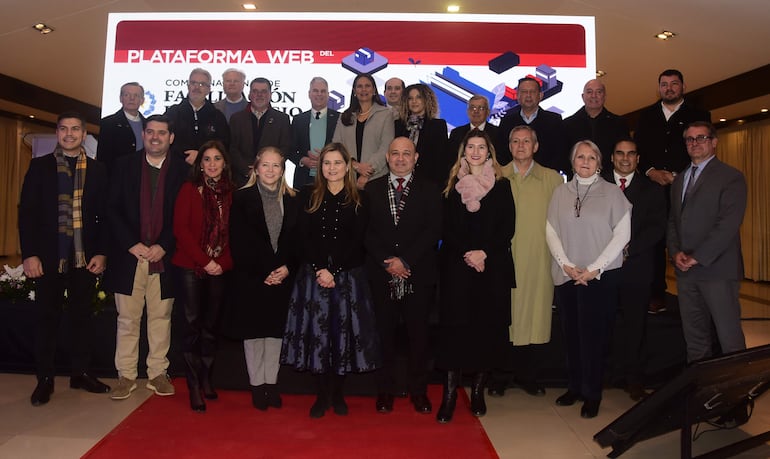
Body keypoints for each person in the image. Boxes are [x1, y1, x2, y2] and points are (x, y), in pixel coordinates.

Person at [281, 143, 381, 418]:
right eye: (327, 163)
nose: (332, 168)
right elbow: (302, 237)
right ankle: (321, 395)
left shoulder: (361, 198)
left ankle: (338, 393)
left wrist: (333, 270)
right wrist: (319, 269)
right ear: (320, 167)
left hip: (347, 278)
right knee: (317, 337)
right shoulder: (306, 196)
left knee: (342, 337)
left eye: (337, 163)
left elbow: (358, 240)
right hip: (313, 278)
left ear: (347, 165)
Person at [19, 112, 111, 406]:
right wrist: (30, 254)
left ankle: (80, 373)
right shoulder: (39, 167)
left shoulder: (98, 170)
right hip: (48, 257)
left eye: (75, 129)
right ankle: (44, 379)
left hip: (84, 257)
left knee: (82, 318)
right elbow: (27, 214)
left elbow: (105, 216)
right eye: (63, 129)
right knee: (47, 318)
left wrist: (102, 251)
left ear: (84, 135)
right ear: (57, 133)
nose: (69, 134)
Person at [667, 121, 749, 428]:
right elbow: (673, 222)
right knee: (696, 340)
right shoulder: (680, 180)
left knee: (729, 340)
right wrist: (675, 252)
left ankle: (737, 402)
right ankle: (704, 399)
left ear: (714, 142)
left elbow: (728, 224)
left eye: (701, 138)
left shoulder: (731, 177)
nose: (695, 143)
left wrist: (698, 256)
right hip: (686, 272)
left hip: (717, 270)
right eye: (689, 139)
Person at [104, 114, 188, 400]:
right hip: (130, 257)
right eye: (150, 132)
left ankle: (157, 374)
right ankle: (125, 375)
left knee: (161, 317)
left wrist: (163, 245)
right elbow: (111, 208)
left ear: (171, 138)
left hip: (164, 257)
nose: (155, 137)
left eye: (161, 133)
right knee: (127, 319)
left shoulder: (183, 170)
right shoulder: (124, 165)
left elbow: (183, 215)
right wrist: (131, 244)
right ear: (143, 135)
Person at [435, 129, 515, 423]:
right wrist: (468, 253)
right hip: (457, 267)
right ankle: (450, 395)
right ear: (463, 151)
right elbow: (446, 228)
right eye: (471, 147)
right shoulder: (451, 186)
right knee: (454, 334)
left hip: (491, 269)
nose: (476, 151)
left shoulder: (503, 186)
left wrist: (485, 253)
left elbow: (507, 228)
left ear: (490, 153)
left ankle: (478, 392)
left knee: (486, 331)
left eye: (482, 147)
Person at [546, 140, 631, 419]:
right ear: (572, 162)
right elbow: (551, 232)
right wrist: (567, 265)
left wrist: (594, 268)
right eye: (579, 156)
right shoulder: (560, 193)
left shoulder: (612, 193)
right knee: (571, 336)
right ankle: (574, 387)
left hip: (599, 277)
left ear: (600, 162)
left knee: (595, 337)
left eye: (591, 157)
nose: (585, 161)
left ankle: (592, 393)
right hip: (568, 275)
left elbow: (622, 235)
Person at [365, 137, 442, 415]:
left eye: (406, 154)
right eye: (395, 153)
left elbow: (434, 230)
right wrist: (389, 263)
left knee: (418, 337)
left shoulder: (431, 190)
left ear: (416, 157)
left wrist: (405, 260)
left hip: (417, 274)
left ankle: (418, 392)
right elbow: (367, 232)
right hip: (381, 273)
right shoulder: (371, 190)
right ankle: (385, 390)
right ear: (387, 157)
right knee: (383, 335)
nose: (400, 159)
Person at [224, 146, 299, 411]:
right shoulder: (241, 198)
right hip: (252, 278)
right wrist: (264, 272)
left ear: (283, 170)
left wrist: (287, 268)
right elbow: (239, 242)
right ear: (256, 168)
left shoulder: (293, 198)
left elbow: (297, 241)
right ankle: (257, 386)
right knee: (254, 335)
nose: (270, 170)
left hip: (283, 277)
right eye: (265, 165)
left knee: (275, 334)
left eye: (276, 165)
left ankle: (271, 384)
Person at [491, 126, 563, 398]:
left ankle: (528, 376)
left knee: (534, 317)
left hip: (538, 260)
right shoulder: (497, 175)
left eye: (526, 141)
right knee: (502, 318)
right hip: (503, 260)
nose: (521, 146)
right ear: (508, 147)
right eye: (515, 141)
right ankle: (500, 375)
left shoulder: (552, 179)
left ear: (536, 146)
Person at [634, 69, 711, 314]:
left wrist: (678, 175)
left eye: (673, 84)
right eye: (664, 84)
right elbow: (640, 152)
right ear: (659, 88)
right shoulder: (646, 116)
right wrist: (650, 172)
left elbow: (702, 150)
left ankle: (696, 294)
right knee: (655, 243)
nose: (669, 88)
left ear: (683, 86)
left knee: (688, 238)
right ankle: (656, 294)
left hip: (687, 187)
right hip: (653, 187)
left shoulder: (699, 115)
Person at [171, 140, 234, 412]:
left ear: (224, 163)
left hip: (221, 267)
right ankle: (193, 384)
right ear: (200, 164)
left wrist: (220, 263)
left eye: (216, 158)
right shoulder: (189, 189)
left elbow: (235, 232)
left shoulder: (231, 193)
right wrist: (205, 261)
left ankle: (208, 377)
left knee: (211, 327)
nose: (211, 164)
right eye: (206, 159)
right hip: (190, 266)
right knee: (192, 326)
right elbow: (181, 231)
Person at [603, 138, 666, 401]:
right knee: (603, 324)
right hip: (602, 268)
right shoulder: (597, 185)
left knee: (635, 326)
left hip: (636, 267)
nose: (625, 158)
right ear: (612, 158)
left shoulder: (652, 189)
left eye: (631, 154)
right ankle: (605, 375)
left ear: (638, 159)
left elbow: (657, 227)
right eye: (620, 153)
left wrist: (627, 249)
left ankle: (634, 379)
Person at [333, 73, 395, 189]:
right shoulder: (345, 116)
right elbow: (337, 147)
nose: (363, 89)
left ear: (374, 90)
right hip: (348, 178)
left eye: (367, 86)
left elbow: (386, 147)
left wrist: (367, 173)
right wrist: (355, 166)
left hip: (377, 178)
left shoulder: (386, 114)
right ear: (354, 91)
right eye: (359, 86)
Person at [497, 77, 568, 173]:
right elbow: (502, 154)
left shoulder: (554, 120)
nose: (528, 95)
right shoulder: (507, 122)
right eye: (524, 92)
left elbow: (560, 154)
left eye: (532, 92)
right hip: (513, 178)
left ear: (541, 95)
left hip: (545, 180)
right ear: (517, 96)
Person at [230, 77, 292, 186]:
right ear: (249, 94)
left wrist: (267, 168)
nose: (259, 95)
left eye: (263, 91)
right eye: (255, 91)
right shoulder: (236, 118)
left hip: (271, 179)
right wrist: (246, 170)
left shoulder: (282, 119)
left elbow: (285, 148)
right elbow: (232, 148)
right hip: (241, 180)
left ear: (270, 94)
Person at [165, 68, 230, 165]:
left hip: (208, 169)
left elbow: (223, 145)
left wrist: (201, 155)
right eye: (193, 83)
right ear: (188, 86)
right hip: (176, 168)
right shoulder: (173, 113)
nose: (197, 87)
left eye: (202, 84)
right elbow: (165, 141)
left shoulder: (217, 116)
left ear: (208, 90)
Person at [563, 79, 629, 174]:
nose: (594, 96)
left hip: (609, 181)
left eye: (599, 92)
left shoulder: (618, 123)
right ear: (583, 96)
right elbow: (563, 157)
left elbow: (623, 153)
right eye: (589, 92)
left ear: (604, 96)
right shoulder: (568, 124)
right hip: (576, 181)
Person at [394, 84, 451, 186]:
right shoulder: (398, 125)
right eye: (410, 98)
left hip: (428, 182)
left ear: (427, 100)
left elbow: (441, 159)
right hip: (400, 180)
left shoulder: (438, 125)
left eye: (418, 97)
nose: (414, 101)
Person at [289, 77, 340, 188]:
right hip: (303, 180)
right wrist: (302, 160)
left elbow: (344, 148)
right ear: (309, 94)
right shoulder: (299, 120)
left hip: (332, 179)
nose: (319, 94)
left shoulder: (339, 119)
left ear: (328, 94)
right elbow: (290, 149)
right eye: (315, 91)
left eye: (323, 91)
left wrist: (326, 156)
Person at [96, 82, 146, 176]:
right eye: (127, 95)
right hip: (117, 178)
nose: (132, 98)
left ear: (142, 100)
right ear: (121, 98)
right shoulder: (108, 123)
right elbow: (103, 158)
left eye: (136, 95)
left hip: (143, 178)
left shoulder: (147, 124)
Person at [448, 95, 502, 166]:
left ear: (488, 112)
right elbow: (451, 161)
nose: (476, 111)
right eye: (472, 108)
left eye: (481, 108)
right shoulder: (456, 133)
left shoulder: (498, 133)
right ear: (468, 111)